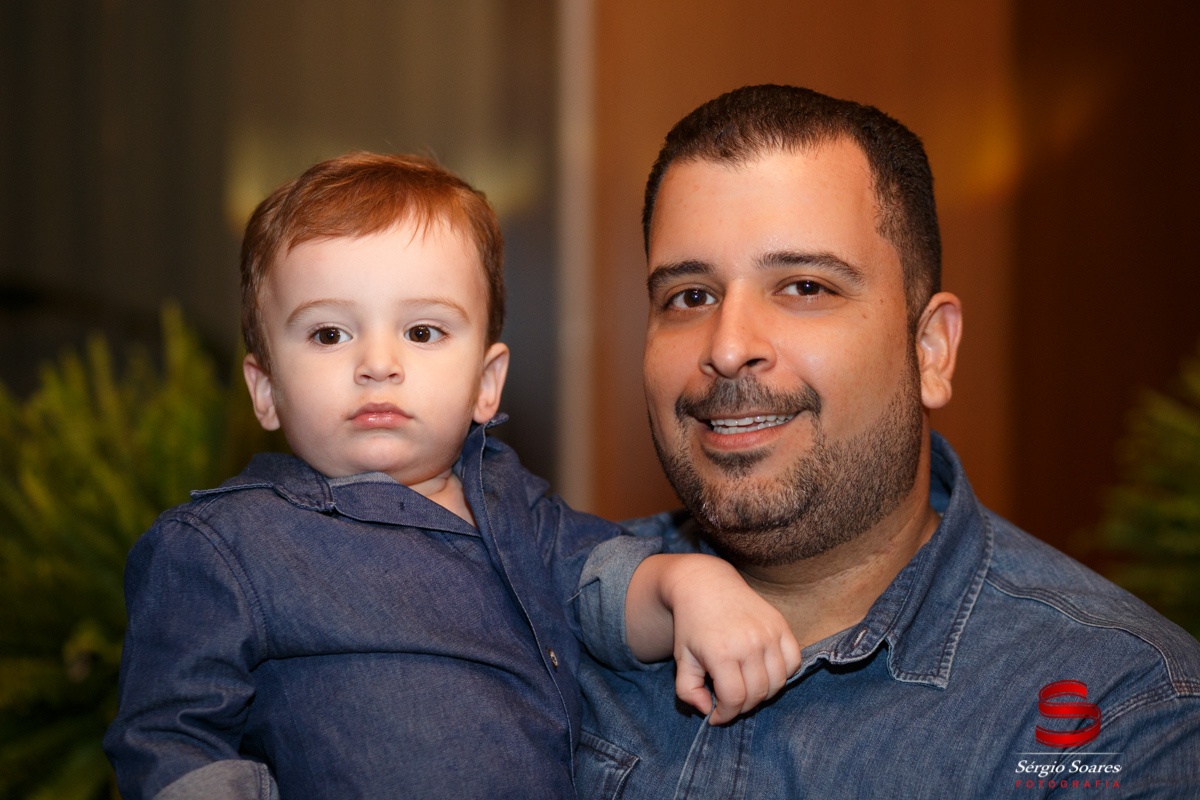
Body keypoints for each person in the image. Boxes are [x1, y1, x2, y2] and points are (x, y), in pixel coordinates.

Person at [103, 153, 801, 799]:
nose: (378, 364)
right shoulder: (224, 546)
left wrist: (689, 585)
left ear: (485, 384)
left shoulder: (517, 507)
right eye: (329, 334)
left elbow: (602, 589)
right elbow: (171, 744)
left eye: (422, 332)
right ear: (265, 389)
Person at [575, 85, 1200, 798]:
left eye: (805, 287)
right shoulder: (538, 614)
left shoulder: (1121, 713)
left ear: (931, 350)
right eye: (690, 296)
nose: (727, 346)